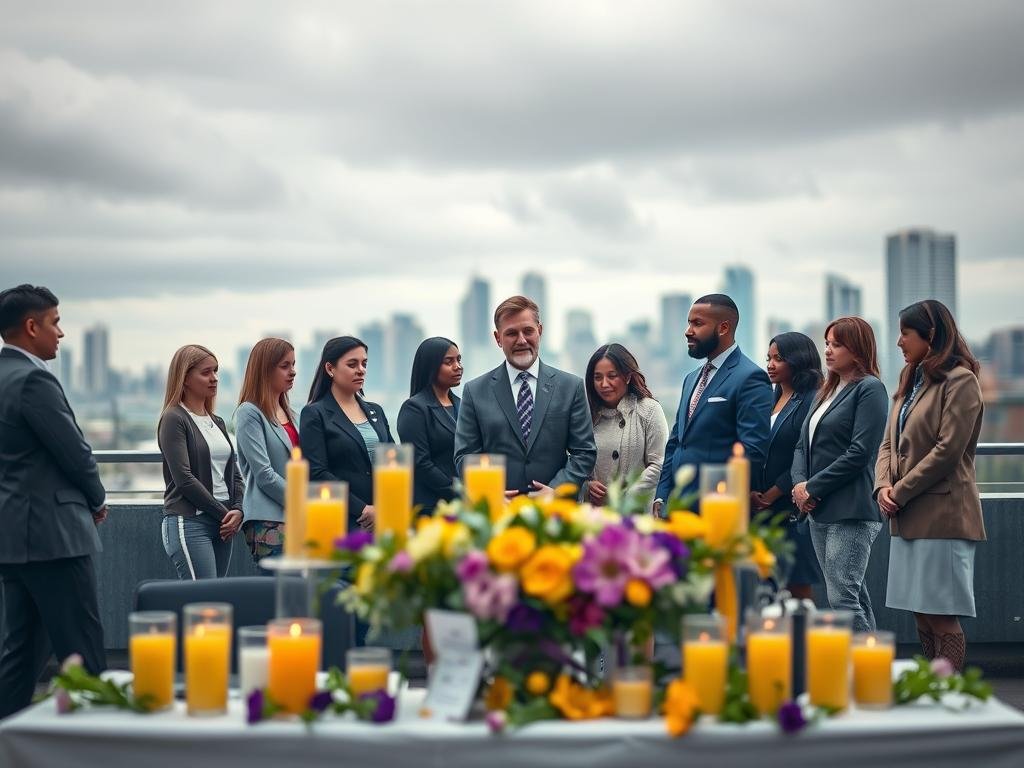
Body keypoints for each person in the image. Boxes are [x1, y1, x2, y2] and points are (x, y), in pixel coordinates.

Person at [0, 285, 108, 719]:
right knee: (82, 652)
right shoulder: (33, 380)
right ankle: (99, 744)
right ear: (31, 327)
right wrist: (96, 499)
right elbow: (75, 451)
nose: (60, 334)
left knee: (21, 652)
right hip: (53, 535)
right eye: (55, 322)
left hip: (14, 536)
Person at [875, 300, 984, 670]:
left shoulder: (961, 381)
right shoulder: (910, 379)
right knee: (920, 612)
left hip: (943, 514)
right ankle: (931, 686)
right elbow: (888, 442)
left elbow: (949, 450)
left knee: (941, 613)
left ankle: (948, 689)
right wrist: (881, 487)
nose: (899, 342)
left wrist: (899, 490)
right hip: (907, 514)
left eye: (906, 333)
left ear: (931, 335)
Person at [791, 317, 888, 632]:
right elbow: (801, 446)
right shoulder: (827, 390)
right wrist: (799, 486)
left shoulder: (870, 389)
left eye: (837, 344)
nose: (828, 351)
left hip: (852, 509)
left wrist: (812, 487)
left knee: (842, 598)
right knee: (851, 593)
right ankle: (869, 668)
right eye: (827, 344)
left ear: (857, 349)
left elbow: (860, 453)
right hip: (820, 509)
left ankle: (862, 670)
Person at [455, 295, 596, 499]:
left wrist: (556, 491)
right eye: (511, 333)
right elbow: (464, 457)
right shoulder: (474, 392)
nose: (521, 340)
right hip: (496, 512)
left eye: (528, 331)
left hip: (556, 513)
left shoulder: (570, 387)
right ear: (497, 338)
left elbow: (584, 452)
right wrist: (490, 493)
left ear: (540, 331)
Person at [654, 294, 772, 512]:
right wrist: (661, 496)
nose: (688, 331)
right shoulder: (691, 379)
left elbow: (752, 450)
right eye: (689, 322)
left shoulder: (750, 378)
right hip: (676, 507)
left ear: (723, 328)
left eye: (697, 323)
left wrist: (719, 501)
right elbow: (676, 443)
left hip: (718, 509)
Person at [157, 345, 245, 580]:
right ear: (185, 378)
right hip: (190, 522)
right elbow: (184, 479)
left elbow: (234, 474)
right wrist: (225, 514)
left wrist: (238, 509)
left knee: (214, 601)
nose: (214, 378)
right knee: (203, 603)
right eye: (206, 372)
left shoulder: (217, 421)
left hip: (223, 523)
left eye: (216, 371)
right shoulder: (174, 418)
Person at [750, 332, 824, 600]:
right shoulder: (769, 399)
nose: (770, 364)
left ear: (798, 360)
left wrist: (774, 492)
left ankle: (800, 643)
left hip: (791, 509)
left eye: (778, 358)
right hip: (761, 511)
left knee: (796, 587)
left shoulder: (812, 400)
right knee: (764, 589)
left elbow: (804, 453)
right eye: (768, 358)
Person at [301, 336, 394, 532]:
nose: (361, 369)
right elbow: (317, 472)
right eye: (352, 364)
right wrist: (361, 508)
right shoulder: (315, 414)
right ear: (330, 369)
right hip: (345, 519)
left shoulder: (376, 410)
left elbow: (392, 459)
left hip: (385, 517)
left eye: (364, 363)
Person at [234, 338, 299, 566]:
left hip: (298, 519)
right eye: (284, 366)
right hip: (269, 521)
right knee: (279, 593)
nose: (292, 372)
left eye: (293, 364)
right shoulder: (249, 413)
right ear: (265, 370)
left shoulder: (292, 414)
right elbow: (264, 474)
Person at [583, 343, 668, 512]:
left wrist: (625, 497)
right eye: (597, 377)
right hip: (595, 516)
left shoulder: (649, 410)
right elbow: (576, 459)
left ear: (627, 377)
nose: (604, 384)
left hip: (636, 514)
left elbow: (658, 464)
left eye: (612, 376)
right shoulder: (586, 415)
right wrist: (586, 484)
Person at [397, 337, 463, 516]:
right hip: (431, 507)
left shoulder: (463, 405)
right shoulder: (414, 408)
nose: (457, 366)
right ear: (431, 366)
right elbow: (420, 463)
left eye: (459, 359)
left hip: (463, 507)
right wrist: (460, 492)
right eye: (448, 361)